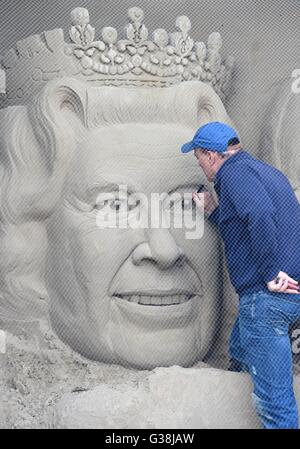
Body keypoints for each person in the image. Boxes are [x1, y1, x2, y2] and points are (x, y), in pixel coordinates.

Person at [181, 121, 300, 429]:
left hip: (266, 301)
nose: (203, 169)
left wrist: (272, 273)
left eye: (199, 160)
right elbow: (251, 223)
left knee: (275, 405)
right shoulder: (264, 172)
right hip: (280, 299)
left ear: (210, 156)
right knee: (239, 356)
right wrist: (213, 211)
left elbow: (258, 214)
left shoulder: (232, 173)